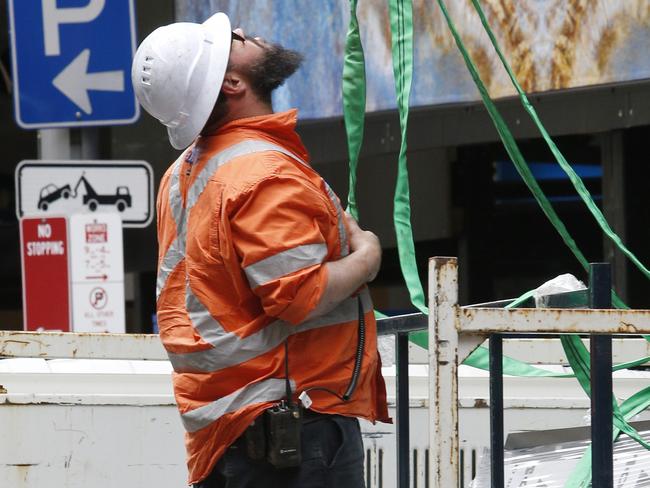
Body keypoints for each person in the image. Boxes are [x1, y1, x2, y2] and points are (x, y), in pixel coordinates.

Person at [131, 12, 390, 488]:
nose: (245, 33)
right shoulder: (263, 172)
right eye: (233, 40)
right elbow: (298, 295)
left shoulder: (184, 173)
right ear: (231, 82)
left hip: (231, 433)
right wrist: (368, 257)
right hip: (294, 432)